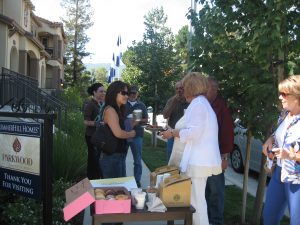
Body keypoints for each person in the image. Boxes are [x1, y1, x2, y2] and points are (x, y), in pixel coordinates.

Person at [161, 72, 222, 225]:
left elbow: (194, 133)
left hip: (198, 161)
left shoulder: (199, 104)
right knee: (197, 200)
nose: (181, 89)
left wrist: (173, 132)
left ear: (190, 87)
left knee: (196, 202)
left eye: (184, 86)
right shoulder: (200, 103)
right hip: (198, 160)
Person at [262, 75, 300, 225]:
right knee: (269, 217)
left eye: (284, 94)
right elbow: (277, 133)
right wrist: (270, 140)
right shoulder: (284, 114)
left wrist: (289, 155)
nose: (280, 97)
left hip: (296, 178)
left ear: (297, 96)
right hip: (279, 172)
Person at [205, 76, 234, 225]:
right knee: (205, 192)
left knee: (215, 192)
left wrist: (224, 158)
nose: (203, 91)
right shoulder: (204, 104)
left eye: (207, 88)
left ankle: (216, 222)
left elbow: (227, 133)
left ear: (215, 90)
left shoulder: (220, 107)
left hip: (216, 158)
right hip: (203, 158)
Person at [100, 81, 136, 180]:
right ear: (114, 93)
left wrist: (131, 123)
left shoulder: (118, 110)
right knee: (113, 191)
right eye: (123, 93)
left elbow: (118, 128)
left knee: (119, 188)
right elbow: (118, 133)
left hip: (118, 155)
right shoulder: (110, 110)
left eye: (127, 93)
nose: (127, 96)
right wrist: (131, 134)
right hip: (111, 156)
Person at [125, 85, 148, 187]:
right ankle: (123, 179)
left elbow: (146, 119)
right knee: (121, 158)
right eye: (131, 93)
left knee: (137, 160)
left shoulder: (141, 105)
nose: (133, 95)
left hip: (137, 134)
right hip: (124, 134)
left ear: (137, 93)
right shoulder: (123, 103)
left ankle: (137, 180)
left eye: (135, 93)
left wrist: (136, 119)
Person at [83, 83, 105, 179]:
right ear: (94, 92)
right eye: (100, 91)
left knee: (97, 159)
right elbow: (85, 121)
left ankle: (96, 180)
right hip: (91, 136)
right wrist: (98, 124)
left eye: (104, 91)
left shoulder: (101, 104)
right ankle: (92, 180)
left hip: (99, 136)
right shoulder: (90, 104)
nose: (103, 93)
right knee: (93, 160)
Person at [162, 81, 189, 160]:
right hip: (172, 134)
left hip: (184, 135)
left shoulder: (190, 101)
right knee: (170, 157)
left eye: (181, 88)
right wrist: (174, 102)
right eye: (177, 89)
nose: (179, 90)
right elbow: (165, 115)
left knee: (183, 158)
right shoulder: (171, 101)